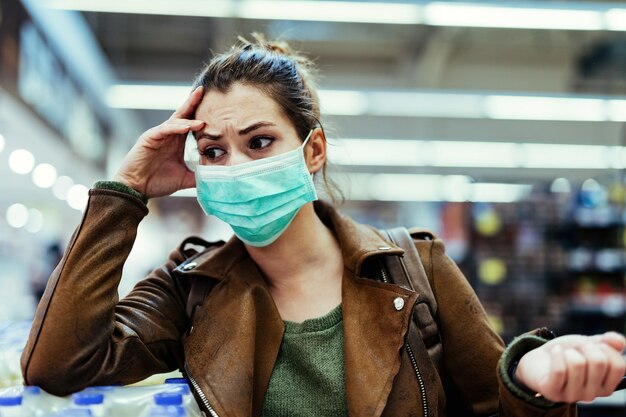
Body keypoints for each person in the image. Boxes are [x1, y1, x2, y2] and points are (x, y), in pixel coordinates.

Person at [20, 34, 625, 417]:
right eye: (214, 152)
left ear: (313, 152)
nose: (235, 167)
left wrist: (530, 382)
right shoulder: (189, 287)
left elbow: (495, 405)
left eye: (260, 142)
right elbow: (59, 363)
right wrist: (123, 193)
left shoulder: (415, 269)